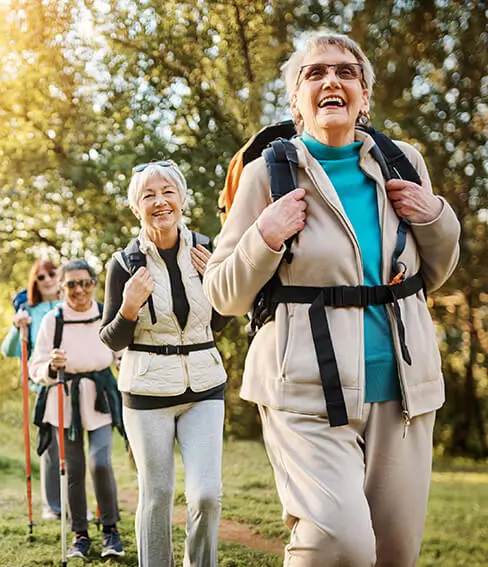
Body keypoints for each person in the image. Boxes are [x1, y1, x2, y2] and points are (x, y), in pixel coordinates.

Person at [203, 33, 461, 567]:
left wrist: (435, 218)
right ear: (296, 100)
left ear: (363, 96)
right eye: (314, 73)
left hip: (404, 389)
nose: (331, 81)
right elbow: (224, 294)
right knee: (338, 546)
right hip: (304, 389)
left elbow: (431, 277)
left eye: (346, 72)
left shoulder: (401, 161)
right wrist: (265, 236)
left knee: (393, 554)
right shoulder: (265, 175)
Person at [99, 160, 227, 567]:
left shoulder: (209, 249)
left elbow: (220, 323)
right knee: (156, 496)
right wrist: (130, 308)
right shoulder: (123, 264)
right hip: (146, 391)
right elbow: (111, 338)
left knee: (207, 494)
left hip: (205, 386)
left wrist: (217, 287)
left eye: (168, 192)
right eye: (148, 195)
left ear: (183, 199)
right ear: (136, 207)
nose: (160, 202)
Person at [29, 259, 125, 559]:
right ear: (62, 287)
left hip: (100, 396)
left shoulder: (106, 314)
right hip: (65, 398)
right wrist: (50, 366)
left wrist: (125, 364)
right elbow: (36, 367)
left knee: (100, 462)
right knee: (74, 470)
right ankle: (80, 535)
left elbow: (122, 352)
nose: (79, 290)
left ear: (94, 284)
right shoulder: (53, 320)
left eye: (85, 283)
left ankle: (110, 530)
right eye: (71, 284)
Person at [1, 259, 62, 520]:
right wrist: (18, 328)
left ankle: (78, 503)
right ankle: (53, 506)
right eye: (41, 277)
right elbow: (10, 351)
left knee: (74, 448)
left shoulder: (70, 305)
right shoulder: (29, 311)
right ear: (34, 283)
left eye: (51, 274)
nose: (47, 279)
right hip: (44, 387)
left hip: (75, 384)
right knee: (51, 447)